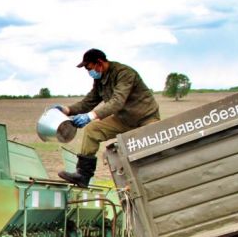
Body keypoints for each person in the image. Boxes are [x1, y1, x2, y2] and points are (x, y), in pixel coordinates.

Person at [54, 48, 161, 187]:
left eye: (89, 68)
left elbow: (117, 102)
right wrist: (66, 110)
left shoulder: (124, 73)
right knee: (92, 130)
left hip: (146, 118)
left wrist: (90, 116)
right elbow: (89, 101)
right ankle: (83, 175)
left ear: (99, 62)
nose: (89, 72)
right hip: (124, 119)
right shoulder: (100, 79)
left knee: (148, 150)